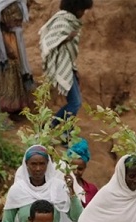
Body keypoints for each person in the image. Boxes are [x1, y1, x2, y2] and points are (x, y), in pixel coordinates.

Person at [2, 145, 84, 222]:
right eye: (33, 164)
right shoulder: (18, 190)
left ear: (48, 165)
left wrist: (71, 191)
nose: (38, 168)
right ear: (26, 164)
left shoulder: (58, 187)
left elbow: (76, 217)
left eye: (42, 164)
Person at [40, 0, 93, 129]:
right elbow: (50, 41)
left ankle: (52, 127)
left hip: (69, 66)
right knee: (75, 103)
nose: (83, 13)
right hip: (61, 66)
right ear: (76, 7)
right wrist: (67, 38)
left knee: (74, 102)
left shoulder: (71, 22)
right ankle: (61, 131)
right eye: (82, 10)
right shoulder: (62, 20)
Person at [0, 0, 34, 114]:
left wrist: (28, 5)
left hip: (16, 39)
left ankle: (17, 107)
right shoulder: (1, 4)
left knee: (19, 70)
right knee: (9, 72)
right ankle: (6, 108)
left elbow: (22, 19)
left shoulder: (19, 2)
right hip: (6, 40)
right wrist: (6, 47)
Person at [68, 139, 99, 206]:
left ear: (85, 168)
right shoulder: (61, 187)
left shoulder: (91, 190)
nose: (75, 172)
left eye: (80, 169)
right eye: (73, 168)